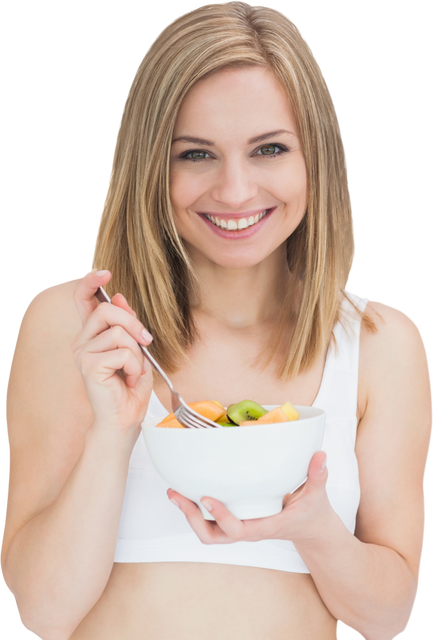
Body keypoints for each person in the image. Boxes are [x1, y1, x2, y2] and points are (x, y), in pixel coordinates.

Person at [2, 2, 431, 639]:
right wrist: (114, 433)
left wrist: (314, 530)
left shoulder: (382, 344)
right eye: (196, 155)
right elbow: (42, 613)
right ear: (152, 165)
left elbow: (389, 618)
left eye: (270, 149)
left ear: (315, 159)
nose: (234, 192)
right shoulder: (75, 327)